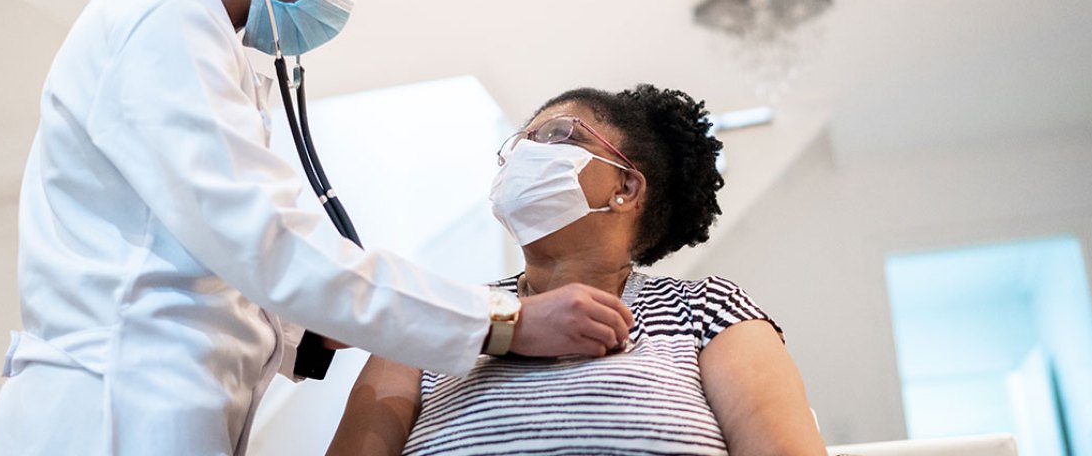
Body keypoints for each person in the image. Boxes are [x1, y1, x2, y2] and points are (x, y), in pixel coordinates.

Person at [0, 0, 633, 456]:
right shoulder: (160, 24)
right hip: (111, 412)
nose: (342, 4)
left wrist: (312, 330)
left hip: (161, 406)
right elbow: (267, 242)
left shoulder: (212, 48)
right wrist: (505, 321)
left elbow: (219, 261)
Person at [327, 84, 826, 456]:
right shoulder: (428, 313)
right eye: (518, 144)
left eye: (556, 135)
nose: (523, 155)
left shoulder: (706, 310)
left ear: (626, 188)